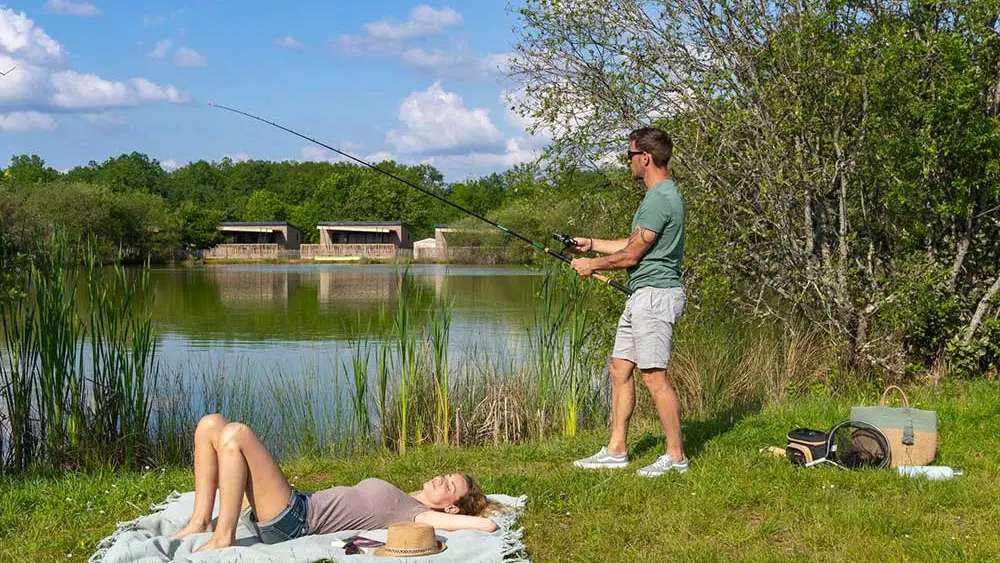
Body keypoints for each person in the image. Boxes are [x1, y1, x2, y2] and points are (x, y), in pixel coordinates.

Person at [172, 413, 497, 552]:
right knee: (210, 424)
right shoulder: (403, 495)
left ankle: (223, 536)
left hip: (295, 519)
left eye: (449, 486)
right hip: (290, 504)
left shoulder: (416, 514)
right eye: (446, 475)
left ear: (451, 507)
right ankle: (201, 521)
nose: (441, 479)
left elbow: (488, 528)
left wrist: (482, 517)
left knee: (236, 434)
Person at [568, 126, 689, 478]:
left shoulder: (661, 198)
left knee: (654, 377)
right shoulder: (659, 197)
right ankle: (617, 449)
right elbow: (633, 241)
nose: (629, 163)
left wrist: (592, 266)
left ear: (645, 158)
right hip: (642, 296)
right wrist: (590, 244)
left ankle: (676, 457)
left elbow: (632, 255)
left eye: (630, 156)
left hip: (655, 296)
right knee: (620, 368)